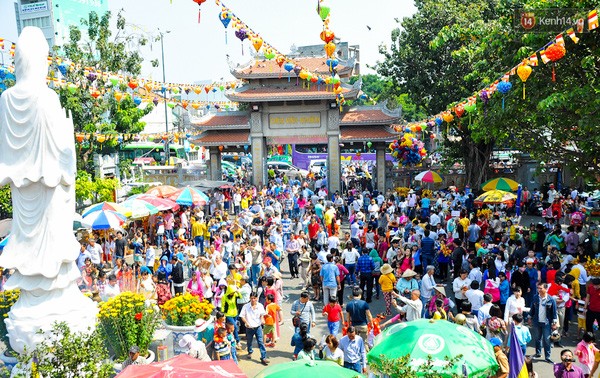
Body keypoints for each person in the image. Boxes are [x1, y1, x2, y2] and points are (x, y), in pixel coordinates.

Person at [531, 283, 558, 363]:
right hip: (537, 321)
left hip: (547, 323)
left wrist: (555, 322)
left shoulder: (551, 299)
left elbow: (554, 312)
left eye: (540, 288)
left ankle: (548, 357)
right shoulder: (535, 297)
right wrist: (529, 317)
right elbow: (532, 308)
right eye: (538, 288)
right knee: (537, 338)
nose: (539, 290)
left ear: (546, 289)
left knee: (547, 340)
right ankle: (538, 353)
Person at [239, 292, 270, 366]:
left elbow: (262, 315)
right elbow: (242, 316)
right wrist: (246, 322)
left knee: (260, 342)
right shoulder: (245, 306)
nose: (253, 300)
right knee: (249, 341)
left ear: (257, 298)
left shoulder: (260, 306)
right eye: (251, 298)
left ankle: (263, 357)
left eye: (254, 298)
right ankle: (250, 351)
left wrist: (262, 319)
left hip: (258, 327)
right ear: (250, 298)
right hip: (249, 327)